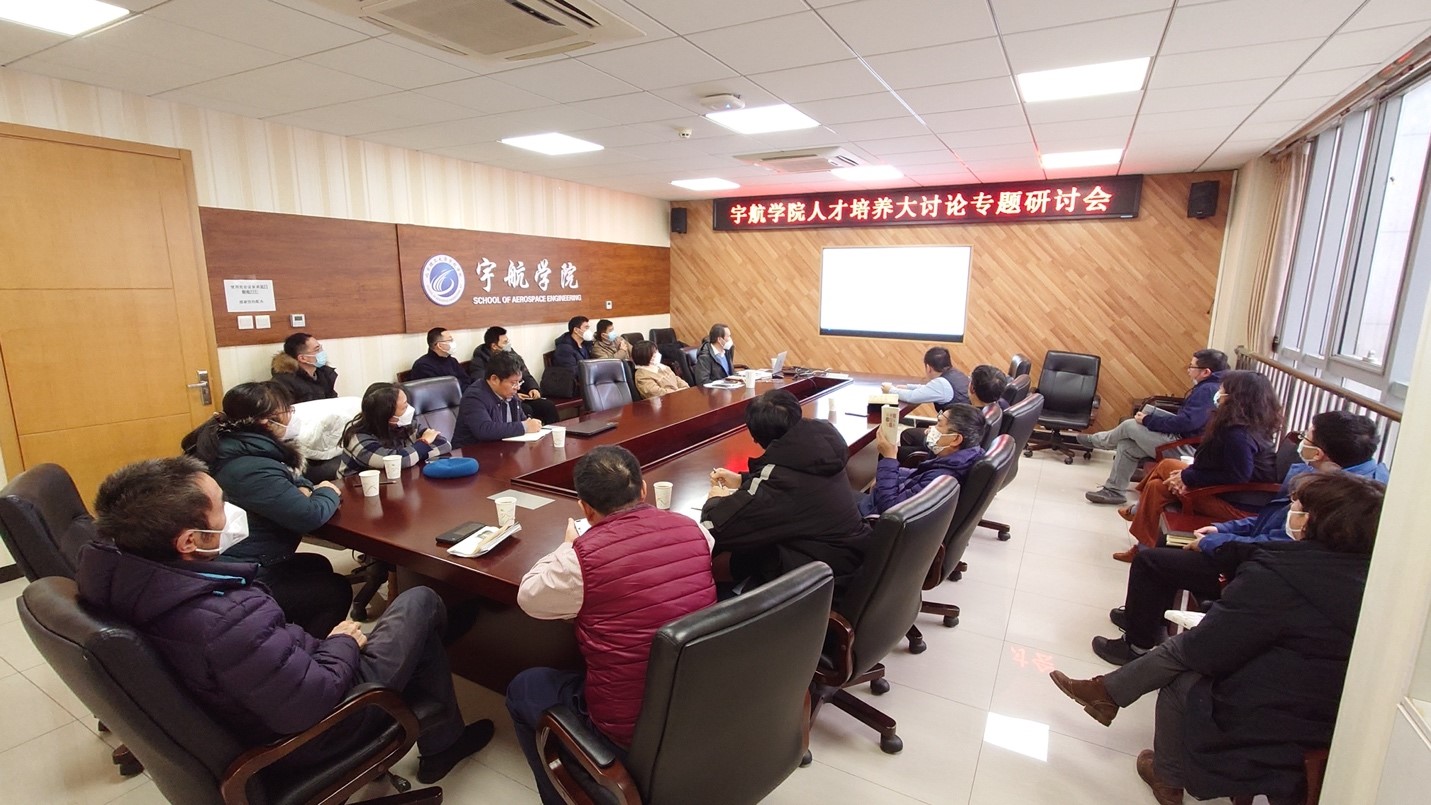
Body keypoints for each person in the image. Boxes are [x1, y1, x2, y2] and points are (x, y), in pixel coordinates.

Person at [76, 456, 494, 784]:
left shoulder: (119, 575)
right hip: (321, 727)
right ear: (188, 541)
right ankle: (444, 738)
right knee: (420, 601)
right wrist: (343, 643)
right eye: (221, 507)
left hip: (264, 693)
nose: (232, 513)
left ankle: (438, 715)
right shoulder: (225, 620)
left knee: (412, 629)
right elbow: (314, 700)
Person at [1049, 472, 1384, 805]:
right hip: (1345, 710)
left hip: (1280, 710)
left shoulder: (1280, 574)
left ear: (1315, 522)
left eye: (1298, 509)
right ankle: (1106, 693)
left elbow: (1206, 652)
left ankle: (1165, 777)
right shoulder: (1380, 580)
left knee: (1183, 676)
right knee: (1193, 648)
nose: (1291, 513)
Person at [506, 446, 716, 805]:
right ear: (643, 489)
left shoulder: (579, 560)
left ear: (585, 508)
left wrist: (569, 545)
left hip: (628, 730)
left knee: (525, 687)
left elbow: (529, 597)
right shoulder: (695, 530)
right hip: (697, 704)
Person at [1094, 410, 1388, 665]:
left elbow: (1285, 549)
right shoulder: (1322, 473)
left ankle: (1136, 646)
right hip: (1260, 550)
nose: (1302, 441)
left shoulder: (1348, 499)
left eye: (1306, 437)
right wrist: (1224, 530)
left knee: (1151, 561)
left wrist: (1215, 543)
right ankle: (1146, 620)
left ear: (1320, 452)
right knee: (1167, 546)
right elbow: (1270, 518)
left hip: (1269, 571)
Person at [181, 382, 352, 637]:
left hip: (240, 558)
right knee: (334, 590)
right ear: (266, 422)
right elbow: (310, 515)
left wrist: (303, 487)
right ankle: (307, 652)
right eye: (287, 411)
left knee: (316, 564)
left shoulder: (231, 445)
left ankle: (288, 632)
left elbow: (291, 479)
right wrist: (327, 491)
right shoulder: (248, 467)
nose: (292, 416)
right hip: (239, 571)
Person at [702, 389, 872, 600]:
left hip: (822, 582)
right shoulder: (819, 448)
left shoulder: (780, 480)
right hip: (848, 559)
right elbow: (790, 489)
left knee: (731, 557)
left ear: (757, 438)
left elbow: (716, 527)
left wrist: (715, 498)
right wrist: (742, 480)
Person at [1117, 370, 1281, 561]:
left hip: (1236, 505)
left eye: (1222, 388)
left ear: (1236, 397)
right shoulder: (1251, 424)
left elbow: (1238, 476)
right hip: (1225, 492)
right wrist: (1189, 476)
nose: (1218, 392)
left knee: (1165, 469)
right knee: (1157, 485)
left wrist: (1188, 478)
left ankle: (1138, 518)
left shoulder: (1239, 435)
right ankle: (1143, 547)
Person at [1079, 349, 1228, 505]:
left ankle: (1098, 442)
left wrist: (1148, 420)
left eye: (1191, 366)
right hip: (1184, 440)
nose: (1188, 370)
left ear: (1205, 372)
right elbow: (1189, 420)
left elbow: (1187, 423)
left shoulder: (1208, 390)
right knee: (1126, 445)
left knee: (1130, 425)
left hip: (1186, 449)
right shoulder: (1213, 386)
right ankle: (1114, 491)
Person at [858, 403, 987, 517]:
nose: (929, 430)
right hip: (892, 498)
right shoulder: (964, 458)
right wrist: (886, 474)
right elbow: (917, 475)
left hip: (872, 519)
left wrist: (889, 459)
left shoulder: (940, 478)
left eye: (939, 424)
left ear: (955, 439)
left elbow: (889, 508)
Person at [340, 382, 451, 476]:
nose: (410, 409)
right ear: (386, 415)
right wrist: (424, 442)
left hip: (395, 482)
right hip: (355, 490)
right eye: (404, 407)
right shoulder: (357, 438)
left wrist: (414, 454)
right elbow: (396, 462)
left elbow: (444, 444)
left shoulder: (404, 425)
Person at [471, 326, 559, 424]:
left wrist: (533, 388)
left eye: (507, 341)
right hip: (503, 398)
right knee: (526, 409)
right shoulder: (479, 360)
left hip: (521, 395)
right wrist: (514, 395)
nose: (508, 345)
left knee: (548, 406)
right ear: (494, 346)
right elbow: (485, 384)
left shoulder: (510, 353)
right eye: (505, 342)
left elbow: (524, 373)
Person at [453, 350, 544, 447]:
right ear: (494, 379)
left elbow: (523, 421)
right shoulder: (474, 397)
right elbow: (484, 430)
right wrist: (524, 427)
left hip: (502, 449)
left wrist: (531, 425)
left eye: (519, 382)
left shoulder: (511, 394)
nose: (518, 387)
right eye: (513, 383)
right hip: (471, 452)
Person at [894, 347, 971, 454]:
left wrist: (890, 390)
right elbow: (929, 389)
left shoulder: (941, 383)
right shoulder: (957, 374)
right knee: (920, 426)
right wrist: (908, 387)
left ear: (928, 367)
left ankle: (918, 457)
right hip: (964, 431)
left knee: (907, 434)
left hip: (952, 437)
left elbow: (912, 397)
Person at [270, 332, 338, 403]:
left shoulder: (324, 374)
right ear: (302, 358)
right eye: (317, 350)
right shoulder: (284, 383)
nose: (322, 352)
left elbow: (334, 402)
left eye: (320, 348)